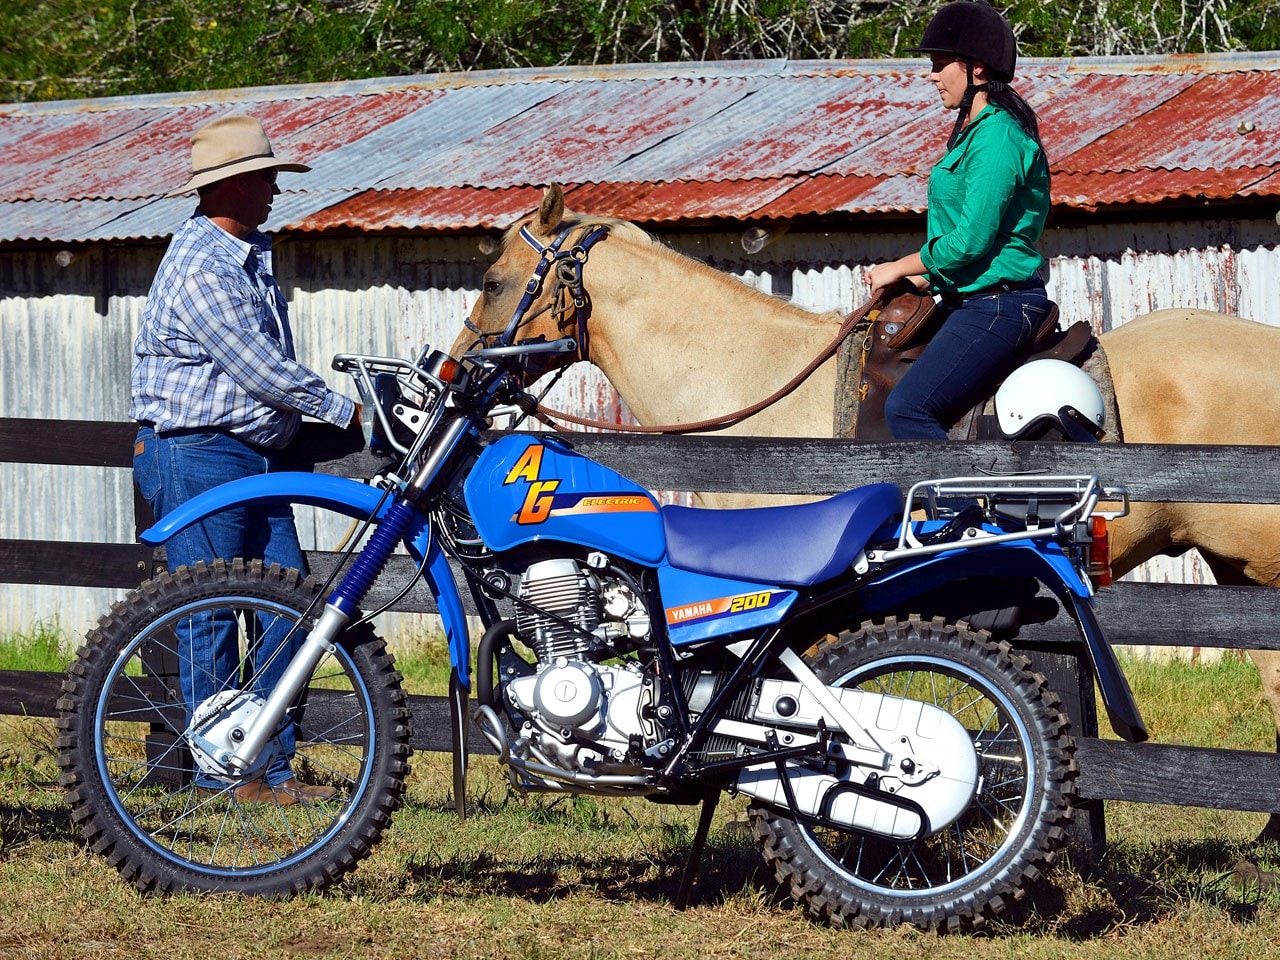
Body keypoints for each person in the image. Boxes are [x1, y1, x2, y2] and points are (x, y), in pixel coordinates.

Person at [131, 115, 359, 805]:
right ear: (229, 186)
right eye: (264, 178)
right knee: (211, 609)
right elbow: (262, 368)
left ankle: (268, 765)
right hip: (197, 449)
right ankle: (226, 772)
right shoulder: (205, 266)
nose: (272, 190)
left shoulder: (247, 254)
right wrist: (348, 411)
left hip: (244, 454)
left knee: (288, 600)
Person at [867, 0, 1052, 440]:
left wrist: (899, 267)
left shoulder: (998, 137)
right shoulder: (971, 134)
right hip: (965, 298)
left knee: (909, 409)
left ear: (978, 70)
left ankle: (961, 511)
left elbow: (970, 240)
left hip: (998, 304)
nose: (931, 75)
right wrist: (923, 281)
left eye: (939, 64)